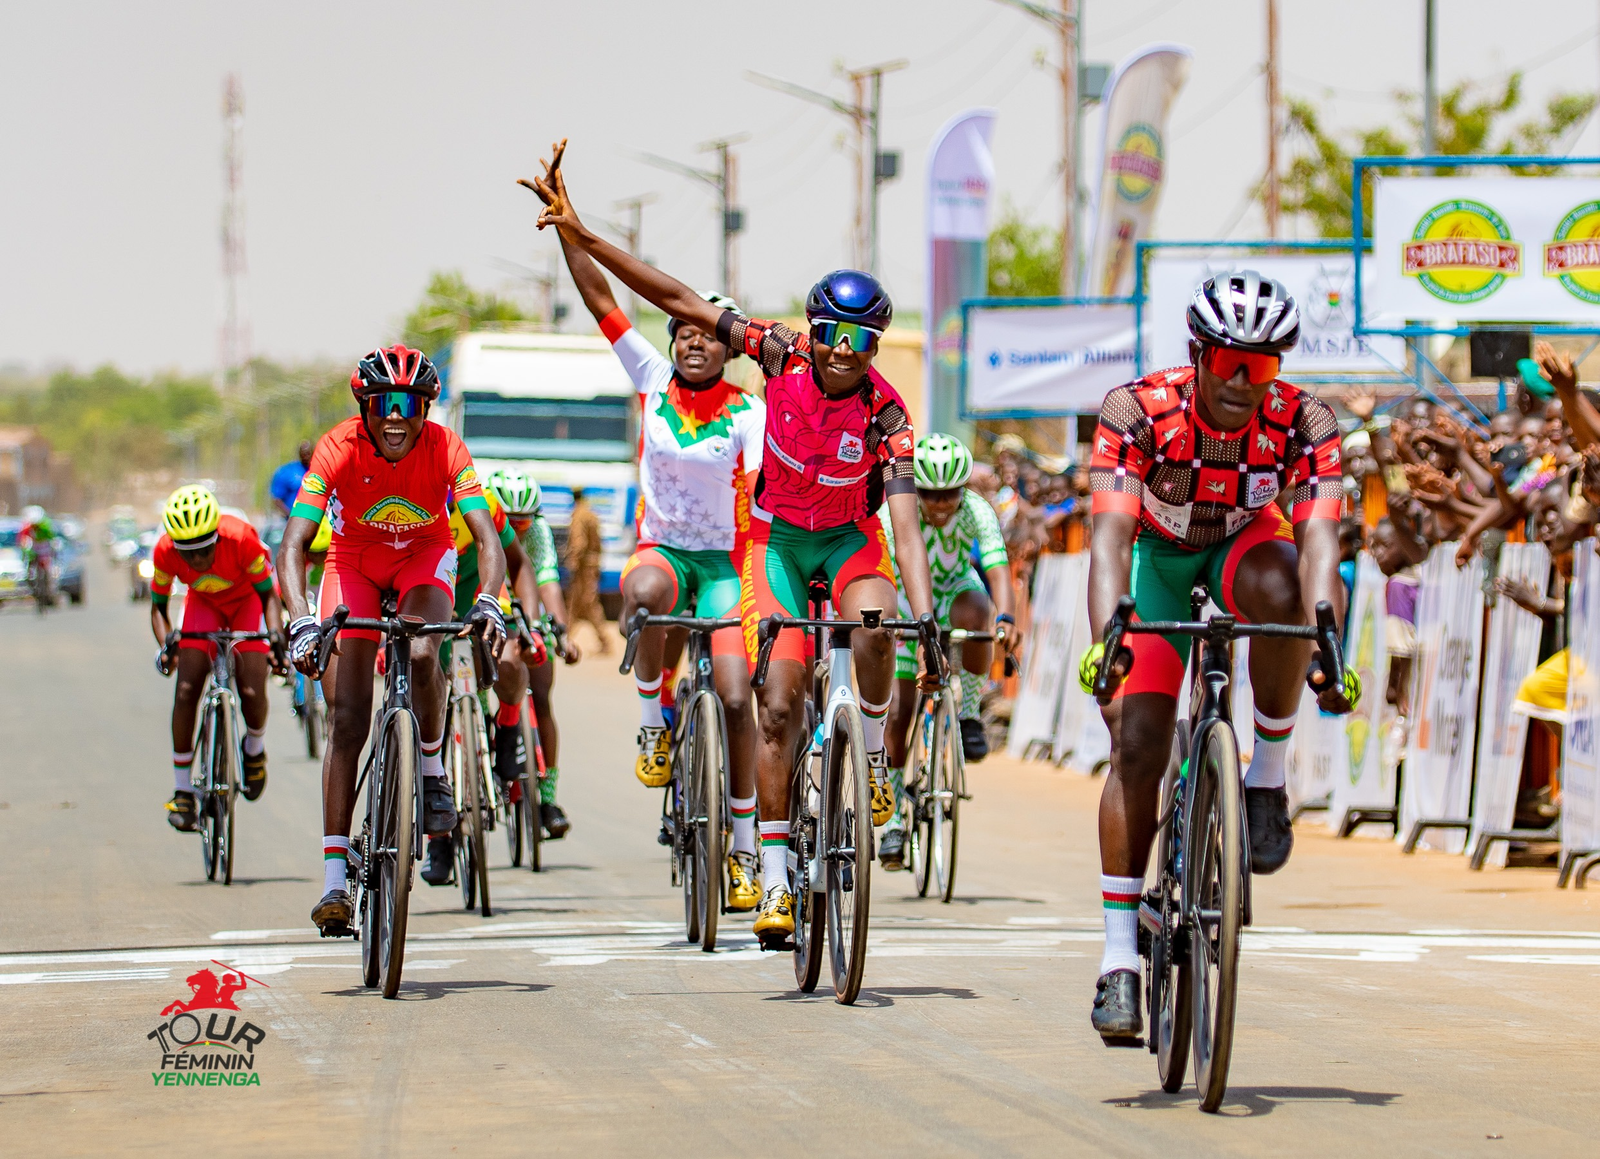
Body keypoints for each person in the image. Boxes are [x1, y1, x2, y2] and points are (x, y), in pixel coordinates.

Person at [525, 141, 939, 946]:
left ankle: (880, 760)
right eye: (830, 336)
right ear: (812, 333)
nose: (839, 353)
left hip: (849, 542)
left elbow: (906, 521)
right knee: (775, 702)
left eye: (858, 343)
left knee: (880, 624)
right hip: (779, 547)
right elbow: (670, 292)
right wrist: (582, 232)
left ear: (876, 349)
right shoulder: (775, 354)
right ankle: (776, 880)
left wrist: (926, 617)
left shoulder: (888, 417)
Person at [1079, 271, 1357, 1043]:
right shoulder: (1135, 411)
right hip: (1157, 563)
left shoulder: (1306, 420)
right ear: (1198, 354)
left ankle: (1265, 778)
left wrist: (1327, 636)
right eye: (1229, 361)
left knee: (1280, 588)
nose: (1243, 380)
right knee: (1136, 745)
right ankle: (1120, 960)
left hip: (1242, 546)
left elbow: (1320, 543)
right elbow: (1107, 541)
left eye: (1262, 365)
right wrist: (1109, 641)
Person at [543, 206, 767, 910]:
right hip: (665, 553)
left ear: (730, 352)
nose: (695, 343)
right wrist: (567, 231)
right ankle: (652, 721)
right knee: (640, 588)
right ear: (671, 341)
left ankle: (743, 849)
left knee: (737, 699)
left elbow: (761, 502)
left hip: (726, 566)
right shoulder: (649, 379)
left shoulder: (750, 413)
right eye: (685, 331)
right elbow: (602, 301)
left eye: (710, 336)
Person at [277, 345, 508, 937]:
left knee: (427, 648)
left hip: (425, 557)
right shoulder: (337, 447)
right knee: (348, 715)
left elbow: (485, 537)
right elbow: (295, 545)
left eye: (410, 404)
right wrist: (302, 616)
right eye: (384, 403)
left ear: (427, 406)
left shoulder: (447, 447)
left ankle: (431, 773)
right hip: (352, 560)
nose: (397, 416)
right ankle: (333, 879)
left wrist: (488, 600)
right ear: (365, 408)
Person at [878, 434, 1014, 871]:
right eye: (930, 495)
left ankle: (970, 714)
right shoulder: (894, 513)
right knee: (898, 713)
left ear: (963, 490)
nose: (939, 505)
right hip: (904, 601)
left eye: (949, 495)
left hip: (955, 593)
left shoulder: (977, 510)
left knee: (979, 612)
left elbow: (996, 568)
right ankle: (897, 816)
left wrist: (1006, 619)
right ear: (915, 490)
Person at [420, 477, 552, 886]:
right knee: (430, 703)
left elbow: (518, 563)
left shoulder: (482, 504)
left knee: (511, 659)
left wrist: (528, 625)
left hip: (479, 587)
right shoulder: (406, 514)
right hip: (430, 592)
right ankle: (439, 840)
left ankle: (509, 730)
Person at [149, 485, 283, 829]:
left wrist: (275, 636)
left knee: (252, 690)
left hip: (246, 602)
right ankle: (182, 792)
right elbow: (159, 609)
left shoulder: (241, 539)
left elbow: (268, 596)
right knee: (186, 689)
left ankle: (253, 750)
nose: (196, 560)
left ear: (217, 538)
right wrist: (167, 645)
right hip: (202, 605)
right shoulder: (163, 552)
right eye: (187, 553)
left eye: (204, 550)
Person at [491, 469, 581, 839]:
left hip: (525, 613)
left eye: (526, 521)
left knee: (542, 698)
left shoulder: (539, 533)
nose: (520, 528)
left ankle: (548, 798)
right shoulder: (480, 525)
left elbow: (547, 582)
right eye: (511, 522)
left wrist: (561, 631)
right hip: (490, 607)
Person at [564, 486, 610, 654]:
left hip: (583, 567)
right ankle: (565, 637)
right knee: (574, 603)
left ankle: (604, 640)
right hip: (591, 563)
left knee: (588, 602)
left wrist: (573, 562)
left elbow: (579, 542)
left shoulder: (579, 515)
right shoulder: (591, 513)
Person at [270, 442, 314, 520]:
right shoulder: (288, 471)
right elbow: (277, 499)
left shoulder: (318, 470)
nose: (306, 456)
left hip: (316, 519)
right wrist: (291, 515)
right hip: (290, 519)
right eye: (303, 453)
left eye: (308, 453)